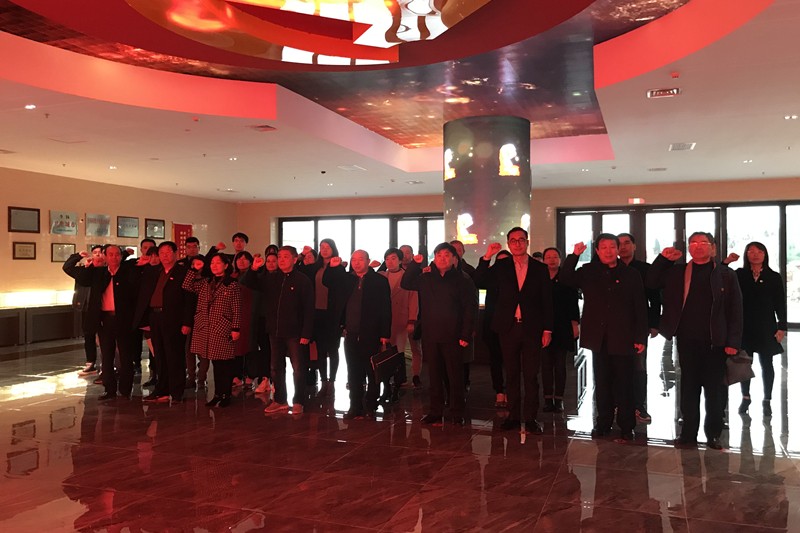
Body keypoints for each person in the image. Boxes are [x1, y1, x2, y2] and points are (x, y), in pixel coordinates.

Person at [646, 232, 743, 450]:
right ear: (689, 248)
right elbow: (651, 282)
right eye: (693, 243)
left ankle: (714, 434)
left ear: (713, 248)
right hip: (687, 340)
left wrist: (733, 341)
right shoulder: (677, 271)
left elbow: (735, 310)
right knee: (688, 388)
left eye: (703, 243)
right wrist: (663, 259)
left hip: (716, 342)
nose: (698, 246)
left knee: (714, 390)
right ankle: (688, 433)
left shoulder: (725, 274)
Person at [561, 235, 647, 441]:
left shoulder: (631, 274)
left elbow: (640, 306)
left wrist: (640, 337)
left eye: (612, 247)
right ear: (597, 251)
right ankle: (603, 423)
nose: (608, 251)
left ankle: (626, 426)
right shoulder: (588, 271)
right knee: (602, 382)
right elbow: (565, 278)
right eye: (603, 248)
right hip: (598, 338)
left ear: (617, 249)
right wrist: (574, 255)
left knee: (625, 383)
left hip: (624, 336)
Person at [475, 228, 553, 433]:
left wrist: (547, 329)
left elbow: (547, 300)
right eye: (513, 241)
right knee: (511, 373)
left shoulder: (539, 268)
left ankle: (531, 418)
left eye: (521, 240)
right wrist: (487, 256)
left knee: (531, 375)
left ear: (527, 242)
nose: (517, 244)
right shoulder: (501, 266)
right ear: (508, 244)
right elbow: (479, 280)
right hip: (508, 328)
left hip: (532, 328)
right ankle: (513, 416)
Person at [402, 242, 478, 426]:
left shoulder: (463, 279)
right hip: (431, 334)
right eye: (439, 255)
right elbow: (406, 283)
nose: (442, 259)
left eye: (446, 255)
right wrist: (415, 264)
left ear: (454, 258)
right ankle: (435, 411)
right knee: (434, 375)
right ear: (434, 258)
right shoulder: (426, 277)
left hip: (454, 336)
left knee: (455, 376)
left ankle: (457, 411)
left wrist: (465, 335)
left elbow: (470, 309)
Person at [63, 245, 141, 400]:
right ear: (104, 256)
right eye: (110, 254)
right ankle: (109, 389)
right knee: (107, 356)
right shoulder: (98, 273)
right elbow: (69, 269)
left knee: (126, 356)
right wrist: (79, 257)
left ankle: (125, 390)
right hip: (105, 319)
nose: (114, 257)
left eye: (117, 254)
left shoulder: (128, 271)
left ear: (121, 256)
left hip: (124, 319)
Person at [245, 246, 314, 415]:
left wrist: (306, 333)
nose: (281, 260)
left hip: (295, 332)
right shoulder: (272, 278)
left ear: (294, 259)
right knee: (276, 367)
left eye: (285, 257)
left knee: (298, 368)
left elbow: (309, 309)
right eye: (280, 257)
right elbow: (248, 282)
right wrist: (253, 268)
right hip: (275, 331)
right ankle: (280, 400)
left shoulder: (302, 280)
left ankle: (298, 401)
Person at [324, 250, 391, 418]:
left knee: (371, 371)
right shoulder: (347, 279)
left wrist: (385, 333)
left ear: (368, 261)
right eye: (354, 259)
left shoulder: (379, 281)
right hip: (351, 333)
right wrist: (332, 267)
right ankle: (355, 406)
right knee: (353, 371)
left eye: (361, 259)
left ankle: (370, 405)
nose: (357, 262)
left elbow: (386, 308)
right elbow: (328, 281)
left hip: (372, 333)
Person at [727, 242, 787, 417]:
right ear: (746, 255)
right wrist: (727, 261)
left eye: (759, 251)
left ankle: (767, 399)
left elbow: (780, 303)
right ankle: (745, 397)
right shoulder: (740, 274)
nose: (755, 254)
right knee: (744, 364)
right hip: (744, 326)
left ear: (765, 254)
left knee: (767, 364)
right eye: (751, 251)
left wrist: (782, 326)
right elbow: (722, 277)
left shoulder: (773, 277)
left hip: (766, 326)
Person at [135, 242, 194, 404]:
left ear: (176, 253)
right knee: (159, 355)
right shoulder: (155, 271)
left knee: (174, 355)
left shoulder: (184, 272)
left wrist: (187, 322)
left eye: (168, 252)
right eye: (161, 253)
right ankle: (161, 389)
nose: (164, 256)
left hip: (175, 319)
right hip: (155, 317)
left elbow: (189, 300)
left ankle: (176, 392)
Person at [183, 254, 242, 408]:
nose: (214, 266)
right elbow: (187, 285)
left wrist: (236, 327)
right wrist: (193, 269)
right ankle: (217, 394)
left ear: (226, 265)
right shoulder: (206, 282)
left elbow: (236, 308)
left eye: (218, 263)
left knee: (224, 364)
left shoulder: (232, 284)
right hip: (206, 327)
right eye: (212, 263)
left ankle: (226, 394)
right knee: (215, 363)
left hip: (222, 326)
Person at [618, 233, 662, 424]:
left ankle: (638, 405)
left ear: (634, 246)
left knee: (638, 366)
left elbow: (655, 298)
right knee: (616, 366)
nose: (623, 247)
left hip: (639, 325)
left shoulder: (645, 269)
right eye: (619, 244)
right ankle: (617, 403)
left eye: (627, 243)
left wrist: (654, 324)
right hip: (615, 326)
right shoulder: (611, 268)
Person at [298, 239, 343, 398]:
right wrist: (301, 255)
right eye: (321, 247)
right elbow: (299, 271)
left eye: (327, 247)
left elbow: (338, 287)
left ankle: (332, 382)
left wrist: (334, 267)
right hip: (317, 313)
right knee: (321, 350)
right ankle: (324, 382)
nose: (324, 250)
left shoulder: (339, 266)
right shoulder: (315, 267)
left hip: (333, 314)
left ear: (333, 249)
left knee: (333, 349)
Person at [540, 247, 580, 413]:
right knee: (546, 364)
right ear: (543, 260)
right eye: (548, 257)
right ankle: (547, 399)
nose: (551, 260)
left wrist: (575, 324)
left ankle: (559, 399)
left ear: (560, 259)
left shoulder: (566, 277)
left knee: (560, 364)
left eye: (555, 257)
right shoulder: (539, 277)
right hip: (543, 327)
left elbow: (573, 302)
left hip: (563, 325)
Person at [378, 247, 418, 400]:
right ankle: (386, 385)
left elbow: (414, 300)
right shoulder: (381, 276)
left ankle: (398, 384)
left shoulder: (408, 277)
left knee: (398, 352)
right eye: (387, 259)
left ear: (400, 260)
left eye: (393, 258)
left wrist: (412, 320)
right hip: (384, 320)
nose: (390, 262)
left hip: (401, 319)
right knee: (384, 353)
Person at [480, 249, 512, 407]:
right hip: (492, 324)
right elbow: (478, 279)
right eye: (499, 262)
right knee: (495, 359)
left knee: (512, 361)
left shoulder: (517, 277)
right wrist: (487, 257)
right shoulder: (491, 276)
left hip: (512, 325)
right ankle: (499, 390)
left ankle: (511, 391)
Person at [67, 245, 104, 376]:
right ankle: (90, 363)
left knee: (104, 336)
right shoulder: (84, 270)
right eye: (95, 252)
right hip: (87, 307)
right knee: (89, 335)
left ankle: (107, 364)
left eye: (101, 252)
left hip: (103, 308)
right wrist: (77, 256)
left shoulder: (107, 271)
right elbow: (67, 268)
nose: (98, 255)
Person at [400, 244, 424, 388]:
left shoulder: (420, 273)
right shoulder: (390, 272)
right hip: (397, 315)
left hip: (414, 316)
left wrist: (413, 319)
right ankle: (398, 377)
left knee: (416, 347)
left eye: (408, 252)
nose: (405, 255)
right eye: (402, 252)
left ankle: (416, 376)